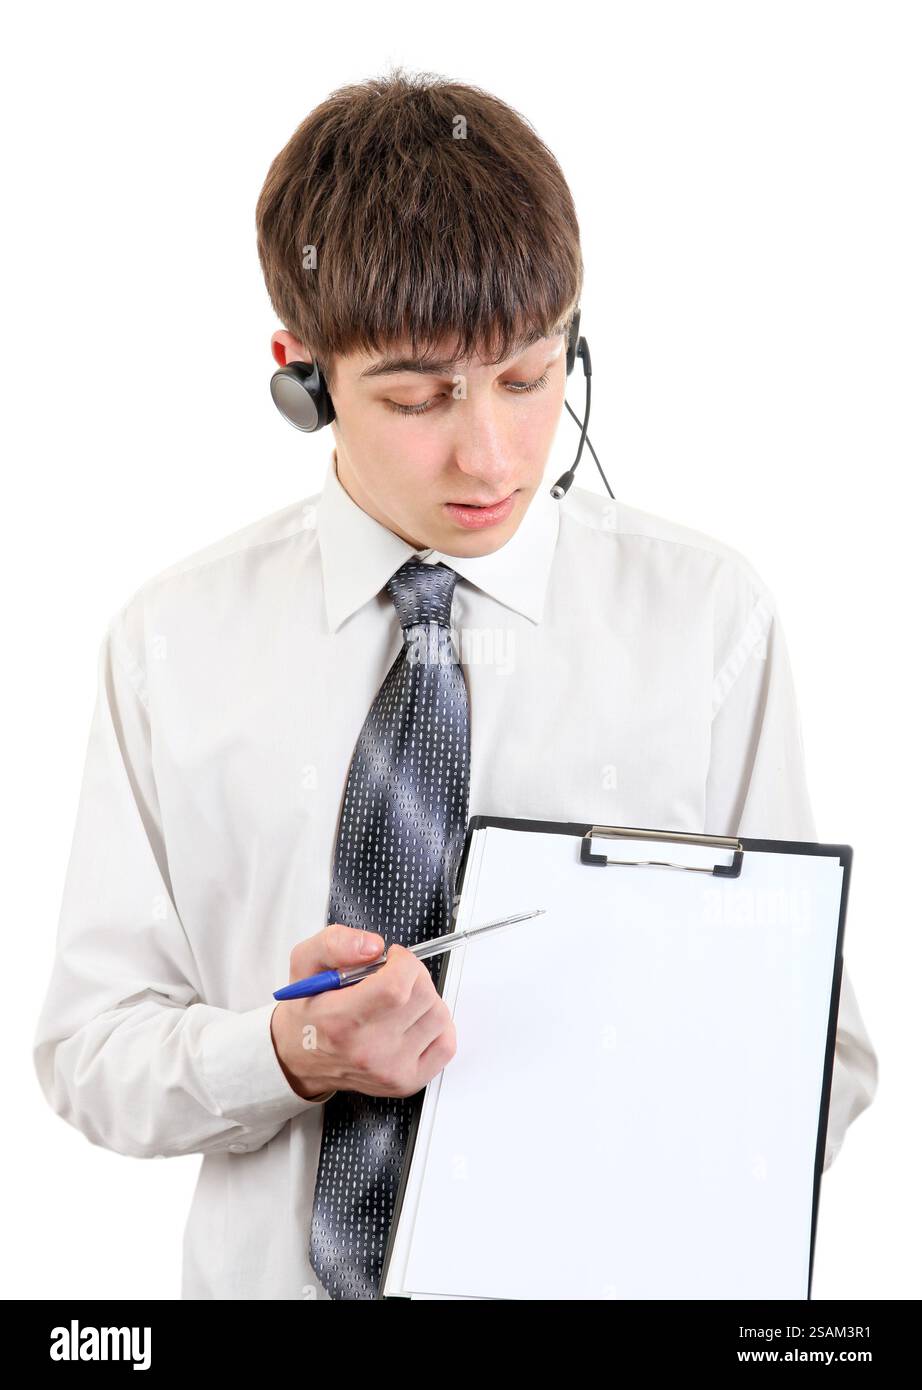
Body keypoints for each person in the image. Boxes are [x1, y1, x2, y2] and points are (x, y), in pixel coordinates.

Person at [32, 68, 877, 1302]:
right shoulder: (172, 641)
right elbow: (88, 1051)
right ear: (301, 374)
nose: (488, 454)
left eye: (531, 380)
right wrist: (291, 1047)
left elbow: (823, 1051)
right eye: (419, 396)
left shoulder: (705, 622)